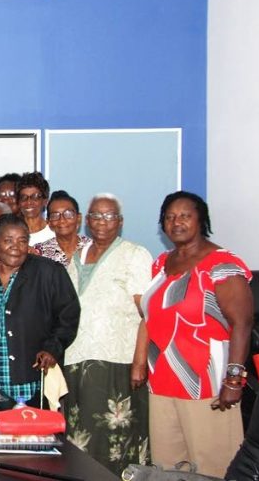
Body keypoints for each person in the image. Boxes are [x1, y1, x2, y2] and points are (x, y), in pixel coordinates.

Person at [140, 191, 253, 477]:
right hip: (163, 380)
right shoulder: (161, 264)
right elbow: (150, 318)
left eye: (185, 215)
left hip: (207, 384)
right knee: (169, 467)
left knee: (213, 466)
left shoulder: (222, 264)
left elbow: (242, 323)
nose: (176, 222)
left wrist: (234, 380)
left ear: (201, 220)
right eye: (169, 217)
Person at [62, 194, 151, 474]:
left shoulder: (135, 255)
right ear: (86, 222)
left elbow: (148, 313)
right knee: (80, 438)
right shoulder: (74, 259)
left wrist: (139, 361)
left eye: (110, 216)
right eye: (96, 216)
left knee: (114, 440)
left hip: (117, 362)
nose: (102, 222)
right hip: (76, 361)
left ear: (120, 222)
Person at [0, 214, 80, 405]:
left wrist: (52, 348)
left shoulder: (49, 272)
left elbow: (68, 315)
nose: (15, 246)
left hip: (29, 384)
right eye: (8, 240)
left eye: (22, 240)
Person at [33, 191, 90, 267]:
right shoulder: (38, 252)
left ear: (78, 218)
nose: (62, 220)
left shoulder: (91, 247)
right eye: (55, 215)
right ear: (49, 222)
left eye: (68, 214)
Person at [16, 171, 54, 245]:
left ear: (45, 201)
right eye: (24, 197)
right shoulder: (13, 233)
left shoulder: (54, 233)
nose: (29, 202)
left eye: (35, 197)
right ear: (18, 202)